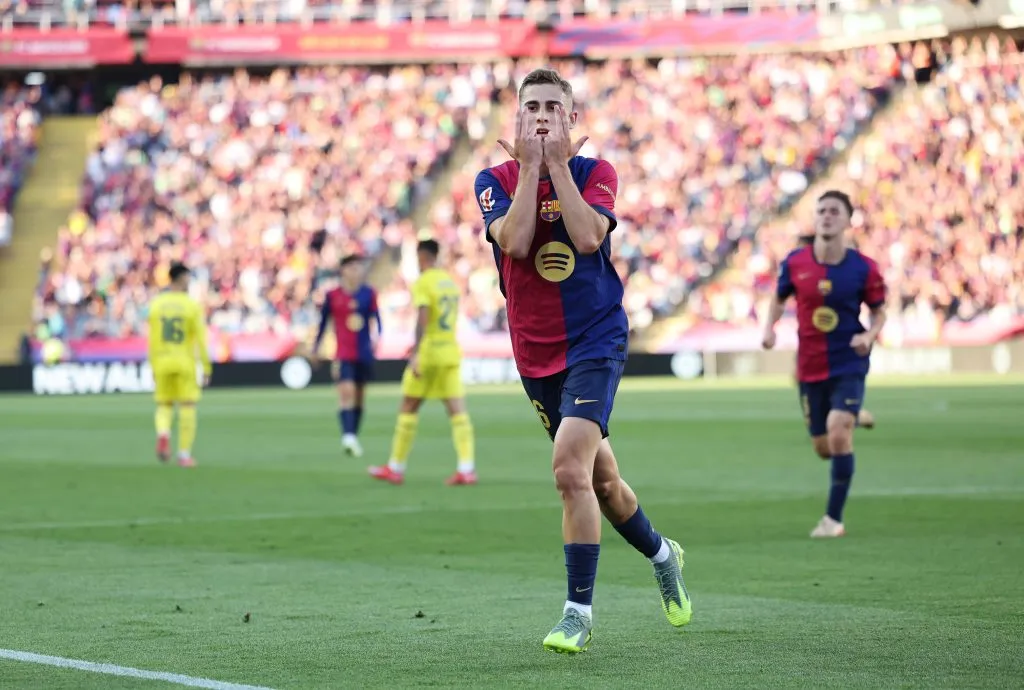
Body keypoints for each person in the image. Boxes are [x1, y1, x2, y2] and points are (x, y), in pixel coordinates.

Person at [473, 67, 691, 654]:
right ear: (519, 119)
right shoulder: (492, 179)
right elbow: (516, 243)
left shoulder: (598, 172)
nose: (541, 116)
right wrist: (529, 171)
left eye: (552, 107)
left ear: (571, 120)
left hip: (596, 338)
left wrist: (560, 166)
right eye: (531, 107)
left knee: (569, 469)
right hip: (535, 353)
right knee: (605, 481)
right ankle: (664, 554)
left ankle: (577, 613)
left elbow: (589, 238)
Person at [762, 190, 887, 538]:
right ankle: (853, 414)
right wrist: (769, 328)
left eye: (834, 211)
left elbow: (879, 312)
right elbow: (778, 297)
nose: (827, 216)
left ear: (848, 220)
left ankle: (833, 520)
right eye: (822, 211)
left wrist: (871, 335)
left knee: (837, 431)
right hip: (810, 366)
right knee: (823, 447)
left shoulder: (864, 268)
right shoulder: (796, 263)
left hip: (849, 361)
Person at [367, 239, 477, 486]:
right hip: (450, 351)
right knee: (458, 412)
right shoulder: (449, 282)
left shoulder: (424, 282)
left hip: (429, 353)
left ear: (421, 257)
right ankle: (467, 467)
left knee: (408, 407)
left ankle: (395, 467)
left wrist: (416, 352)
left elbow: (422, 318)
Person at [794, 232, 875, 444]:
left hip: (838, 349)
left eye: (801, 248)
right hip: (810, 346)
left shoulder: (833, 274)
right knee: (823, 447)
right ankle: (844, 415)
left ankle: (848, 414)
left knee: (836, 422)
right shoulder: (799, 271)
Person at [313, 255, 381, 458]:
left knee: (360, 399)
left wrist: (378, 340)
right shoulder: (332, 295)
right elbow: (324, 322)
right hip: (343, 353)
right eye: (352, 267)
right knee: (346, 394)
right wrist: (316, 347)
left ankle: (352, 435)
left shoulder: (369, 294)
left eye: (359, 267)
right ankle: (348, 437)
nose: (356, 271)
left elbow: (377, 320)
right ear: (343, 270)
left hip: (364, 352)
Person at [147, 262, 211, 468]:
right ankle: (184, 455)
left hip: (162, 361)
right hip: (184, 362)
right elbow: (200, 339)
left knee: (164, 405)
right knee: (187, 406)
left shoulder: (157, 304)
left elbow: (152, 339)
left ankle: (163, 434)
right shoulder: (191, 306)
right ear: (182, 278)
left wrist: (153, 365)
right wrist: (207, 367)